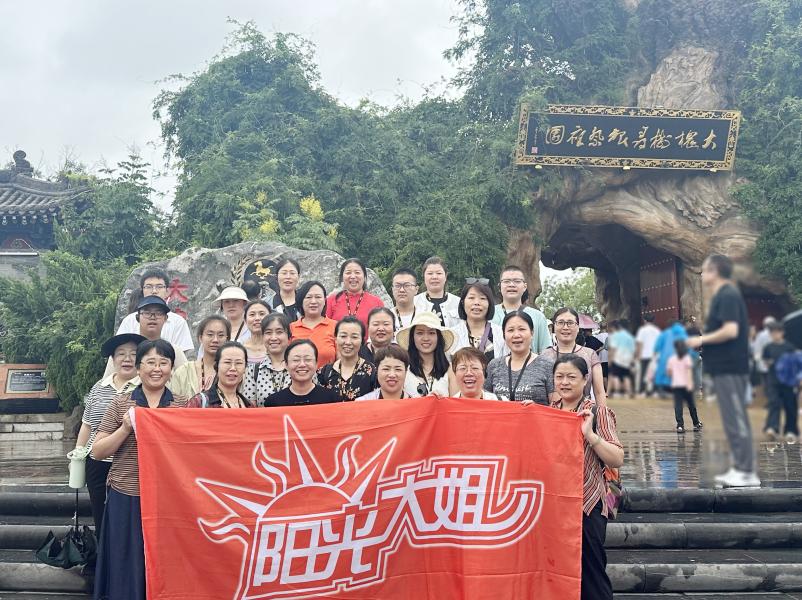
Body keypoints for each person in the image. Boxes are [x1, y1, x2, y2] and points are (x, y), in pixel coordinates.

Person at [91, 339, 189, 600]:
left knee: (166, 559)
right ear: (138, 367)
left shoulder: (182, 406)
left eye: (163, 363)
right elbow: (97, 451)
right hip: (128, 493)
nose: (157, 369)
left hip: (169, 497)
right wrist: (125, 428)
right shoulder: (121, 403)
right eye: (150, 362)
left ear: (171, 368)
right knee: (126, 558)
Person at [535, 354, 623, 600]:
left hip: (587, 505)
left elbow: (617, 458)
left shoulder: (597, 412)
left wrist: (591, 436)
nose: (564, 382)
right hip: (556, 506)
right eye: (559, 377)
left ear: (585, 380)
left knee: (591, 572)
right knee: (560, 570)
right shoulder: (550, 412)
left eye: (571, 377)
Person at [687, 254, 759, 487]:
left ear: (716, 270)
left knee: (735, 417)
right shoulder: (723, 295)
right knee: (731, 418)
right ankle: (741, 469)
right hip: (725, 368)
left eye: (705, 270)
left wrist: (700, 340)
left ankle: (746, 472)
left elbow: (730, 330)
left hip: (731, 367)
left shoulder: (728, 294)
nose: (702, 275)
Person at [75, 333, 143, 537]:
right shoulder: (100, 386)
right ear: (113, 360)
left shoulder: (145, 387)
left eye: (133, 354)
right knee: (100, 513)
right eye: (121, 354)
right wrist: (78, 455)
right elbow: (87, 425)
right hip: (97, 461)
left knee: (127, 517)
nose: (127, 358)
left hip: (130, 464)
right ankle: (102, 554)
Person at [116, 268, 194, 358]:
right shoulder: (130, 320)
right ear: (142, 291)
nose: (154, 291)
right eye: (149, 287)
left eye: (159, 287)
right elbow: (119, 350)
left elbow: (185, 354)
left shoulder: (178, 322)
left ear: (167, 291)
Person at [540, 308, 607, 405]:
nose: (565, 327)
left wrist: (602, 413)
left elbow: (599, 392)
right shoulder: (544, 355)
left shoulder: (590, 354)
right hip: (551, 411)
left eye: (570, 323)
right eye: (560, 322)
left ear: (578, 327)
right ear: (554, 326)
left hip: (583, 411)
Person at [485, 310, 552, 404]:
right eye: (510, 330)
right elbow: (486, 401)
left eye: (522, 329)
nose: (516, 335)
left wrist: (536, 408)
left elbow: (557, 406)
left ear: (532, 333)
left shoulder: (547, 365)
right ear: (504, 335)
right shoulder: (494, 365)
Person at [491, 265, 551, 353]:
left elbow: (546, 352)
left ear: (525, 287)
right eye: (506, 281)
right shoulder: (490, 314)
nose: (511, 285)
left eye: (517, 281)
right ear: (500, 286)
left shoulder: (538, 317)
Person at [169, 315, 230, 398]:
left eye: (221, 335)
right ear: (200, 338)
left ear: (227, 339)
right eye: (210, 334)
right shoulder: (184, 371)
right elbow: (174, 401)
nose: (215, 340)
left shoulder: (233, 371)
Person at [396, 312, 455, 397]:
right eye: (420, 333)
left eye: (431, 333)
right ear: (412, 337)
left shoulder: (451, 369)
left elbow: (456, 402)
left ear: (438, 337)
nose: (426, 338)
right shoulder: (403, 369)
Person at [318, 316, 377, 401]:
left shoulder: (372, 373)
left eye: (354, 337)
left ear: (362, 341)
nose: (348, 342)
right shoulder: (324, 373)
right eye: (343, 336)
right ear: (335, 339)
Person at [265, 339, 340, 406]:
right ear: (286, 365)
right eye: (296, 360)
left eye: (308, 359)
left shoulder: (332, 399)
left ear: (316, 364)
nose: (302, 364)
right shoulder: (273, 402)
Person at [242, 313, 293, 406]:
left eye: (279, 332)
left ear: (289, 337)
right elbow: (250, 408)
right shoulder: (253, 370)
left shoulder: (301, 366)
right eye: (268, 333)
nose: (273, 338)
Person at [449, 282, 507, 361]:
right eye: (471, 298)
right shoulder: (452, 335)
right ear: (463, 302)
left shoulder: (501, 334)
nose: (476, 303)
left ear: (489, 304)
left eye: (482, 298)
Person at [762, 321, 798, 441]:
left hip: (788, 381)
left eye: (776, 332)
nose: (774, 335)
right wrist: (768, 363)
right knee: (774, 403)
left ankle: (791, 430)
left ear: (782, 333)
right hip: (773, 380)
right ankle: (772, 428)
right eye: (772, 333)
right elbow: (765, 361)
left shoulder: (789, 347)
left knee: (790, 405)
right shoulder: (768, 347)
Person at [325, 258, 384, 329]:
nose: (353, 276)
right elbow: (325, 328)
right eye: (348, 273)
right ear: (342, 277)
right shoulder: (331, 300)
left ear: (365, 277)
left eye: (357, 272)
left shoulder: (377, 303)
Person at [190, 341, 252, 408]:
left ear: (245, 368)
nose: (233, 368)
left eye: (239, 363)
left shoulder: (249, 406)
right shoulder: (199, 402)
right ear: (217, 366)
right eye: (227, 362)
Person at [290, 281, 337, 368]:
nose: (313, 301)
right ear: (301, 301)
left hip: (328, 376)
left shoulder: (336, 327)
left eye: (318, 297)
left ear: (324, 301)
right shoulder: (291, 328)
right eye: (308, 297)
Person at [413, 256, 460, 328]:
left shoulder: (458, 303)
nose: (434, 277)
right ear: (424, 276)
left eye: (439, 273)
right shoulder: (414, 302)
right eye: (430, 273)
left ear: (445, 276)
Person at [667, 340, 702, 433]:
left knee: (678, 405)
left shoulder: (672, 359)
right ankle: (696, 423)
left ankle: (680, 425)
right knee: (691, 405)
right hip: (686, 385)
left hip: (676, 386)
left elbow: (669, 373)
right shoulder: (687, 358)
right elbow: (689, 372)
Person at [652, 321, 689, 397]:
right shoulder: (684, 333)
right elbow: (687, 346)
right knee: (678, 374)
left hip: (665, 357)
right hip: (679, 357)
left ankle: (662, 391)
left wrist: (654, 354)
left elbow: (657, 346)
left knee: (663, 373)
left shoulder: (665, 333)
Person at [607, 319, 636, 397]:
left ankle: (617, 392)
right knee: (626, 376)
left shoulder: (616, 336)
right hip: (627, 359)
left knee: (615, 376)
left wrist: (610, 359)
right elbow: (633, 350)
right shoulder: (630, 337)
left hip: (617, 358)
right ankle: (628, 392)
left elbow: (613, 349)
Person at [635, 314, 661, 396]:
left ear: (645, 320)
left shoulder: (642, 330)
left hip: (644, 355)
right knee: (654, 373)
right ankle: (655, 391)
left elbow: (640, 344)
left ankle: (643, 391)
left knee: (643, 373)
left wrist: (638, 355)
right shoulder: (657, 330)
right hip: (654, 355)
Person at [271, 257, 301, 322]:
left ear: (298, 277)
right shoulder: (268, 304)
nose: (288, 277)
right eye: (284, 273)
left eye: (292, 273)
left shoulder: (305, 301)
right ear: (277, 277)